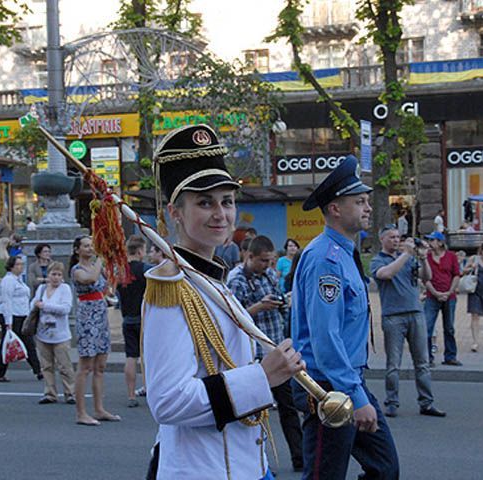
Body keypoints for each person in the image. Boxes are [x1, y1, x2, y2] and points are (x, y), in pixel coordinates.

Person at [142, 124, 303, 479]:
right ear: (175, 213)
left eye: (227, 201)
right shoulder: (170, 287)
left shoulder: (216, 282)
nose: (220, 213)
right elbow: (168, 400)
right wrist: (262, 377)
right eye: (204, 202)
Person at [291, 154, 399, 480]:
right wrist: (355, 395)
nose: (368, 207)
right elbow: (326, 338)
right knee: (326, 474)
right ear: (335, 209)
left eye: (367, 201)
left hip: (347, 379)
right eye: (360, 201)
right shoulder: (325, 258)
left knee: (385, 468)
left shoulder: (343, 251)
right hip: (328, 386)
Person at [227, 235, 304, 472]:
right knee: (254, 410)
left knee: (288, 407)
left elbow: (278, 303)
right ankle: (255, 463)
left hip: (275, 348)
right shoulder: (237, 279)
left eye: (270, 261)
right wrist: (259, 306)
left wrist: (281, 303)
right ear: (249, 257)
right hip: (253, 355)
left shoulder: (270, 274)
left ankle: (299, 458)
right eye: (263, 261)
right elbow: (231, 319)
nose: (268, 266)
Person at [370, 225, 445, 419]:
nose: (397, 240)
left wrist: (423, 257)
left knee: (423, 362)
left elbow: (427, 277)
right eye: (392, 237)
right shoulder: (378, 260)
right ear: (382, 240)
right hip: (393, 316)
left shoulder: (410, 258)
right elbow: (385, 274)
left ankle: (426, 403)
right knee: (393, 363)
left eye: (398, 237)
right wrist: (406, 254)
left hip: (416, 313)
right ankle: (392, 402)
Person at [70, 235, 119, 426]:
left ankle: (99, 409)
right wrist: (101, 258)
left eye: (92, 245)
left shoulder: (97, 268)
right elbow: (89, 279)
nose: (90, 248)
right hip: (87, 317)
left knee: (100, 366)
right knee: (85, 367)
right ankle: (81, 412)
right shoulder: (78, 270)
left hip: (100, 316)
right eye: (86, 246)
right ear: (77, 250)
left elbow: (110, 287)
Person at [31, 262, 75, 405]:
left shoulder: (65, 289)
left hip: (60, 334)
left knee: (64, 365)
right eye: (53, 274)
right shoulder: (42, 288)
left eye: (59, 275)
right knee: (46, 366)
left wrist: (46, 306)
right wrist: (36, 305)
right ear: (48, 275)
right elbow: (33, 303)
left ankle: (70, 393)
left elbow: (66, 308)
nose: (56, 278)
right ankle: (50, 393)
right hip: (43, 332)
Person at [0, 255, 42, 382]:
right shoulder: (8, 281)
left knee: (27, 342)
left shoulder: (18, 280)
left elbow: (24, 299)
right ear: (11, 267)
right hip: (12, 316)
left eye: (22, 264)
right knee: (10, 343)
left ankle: (38, 370)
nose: (21, 267)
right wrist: (8, 322)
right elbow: (6, 301)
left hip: (21, 315)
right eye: (18, 264)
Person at [116, 235, 150, 408]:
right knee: (147, 357)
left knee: (131, 357)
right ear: (139, 251)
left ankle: (131, 394)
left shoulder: (120, 272)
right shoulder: (145, 269)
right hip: (144, 319)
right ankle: (149, 389)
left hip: (127, 318)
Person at [424, 231, 462, 366]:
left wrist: (449, 292)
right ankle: (427, 357)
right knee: (427, 326)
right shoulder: (426, 257)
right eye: (429, 240)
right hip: (432, 296)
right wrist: (435, 293)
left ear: (440, 242)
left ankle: (450, 356)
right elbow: (424, 278)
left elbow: (456, 275)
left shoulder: (451, 256)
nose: (430, 243)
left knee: (449, 327)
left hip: (449, 296)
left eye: (433, 240)